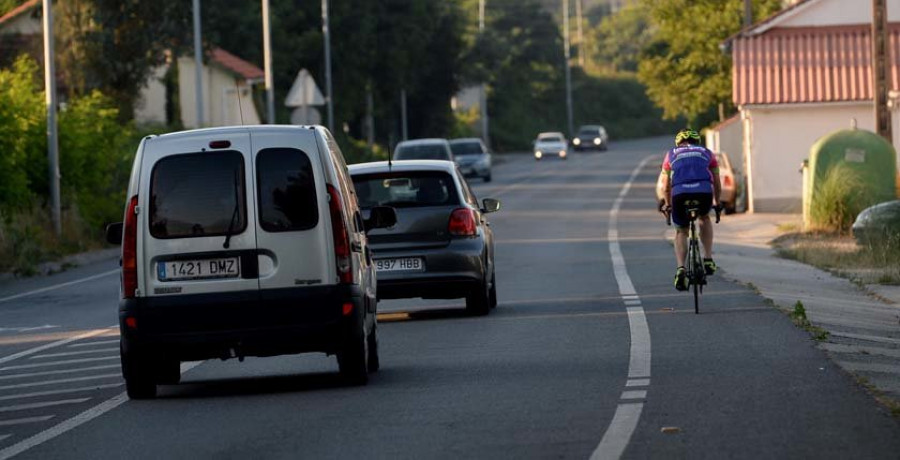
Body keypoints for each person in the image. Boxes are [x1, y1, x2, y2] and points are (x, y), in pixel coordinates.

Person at [659, 129, 721, 291]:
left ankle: (681, 268)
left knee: (681, 231)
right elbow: (716, 180)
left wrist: (667, 204)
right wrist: (718, 201)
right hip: (703, 192)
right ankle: (707, 258)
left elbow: (666, 185)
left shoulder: (671, 154)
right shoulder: (707, 153)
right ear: (697, 142)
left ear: (678, 143)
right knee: (704, 218)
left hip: (679, 194)